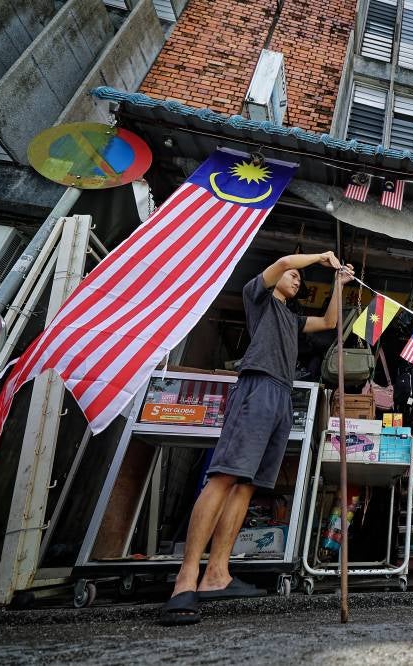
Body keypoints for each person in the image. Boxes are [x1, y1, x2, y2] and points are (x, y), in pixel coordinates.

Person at [159, 251, 354, 625]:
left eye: (300, 277)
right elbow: (281, 264)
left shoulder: (293, 320)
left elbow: (331, 321)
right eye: (293, 275)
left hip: (283, 394)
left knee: (247, 486)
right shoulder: (258, 298)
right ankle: (185, 579)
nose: (296, 279)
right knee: (225, 476)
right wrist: (319, 258)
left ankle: (217, 573)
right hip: (257, 387)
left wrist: (338, 283)